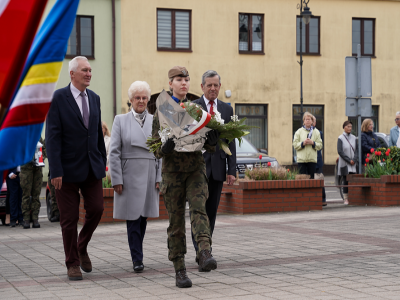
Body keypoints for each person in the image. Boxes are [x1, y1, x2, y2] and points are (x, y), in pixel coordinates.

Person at [151, 66, 219, 288]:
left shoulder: (196, 109)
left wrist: (213, 138)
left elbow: (208, 145)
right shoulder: (162, 110)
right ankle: (179, 269)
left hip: (195, 169)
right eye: (179, 79)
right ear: (170, 83)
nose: (184, 83)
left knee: (199, 208)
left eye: (187, 79)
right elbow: (154, 148)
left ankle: (205, 251)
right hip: (172, 174)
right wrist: (165, 148)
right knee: (176, 222)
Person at [46, 56, 107, 281]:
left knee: (98, 209)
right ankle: (72, 263)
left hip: (92, 167)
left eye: (90, 70)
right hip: (66, 171)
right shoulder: (58, 98)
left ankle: (82, 246)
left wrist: (103, 160)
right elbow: (52, 137)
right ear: (72, 74)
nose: (89, 73)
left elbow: (97, 135)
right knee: (69, 219)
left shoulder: (95, 98)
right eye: (84, 70)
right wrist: (55, 171)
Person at [109, 81, 161, 273]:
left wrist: (159, 177)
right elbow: (114, 152)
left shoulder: (156, 120)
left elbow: (160, 152)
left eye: (144, 98)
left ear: (148, 100)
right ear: (130, 101)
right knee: (132, 218)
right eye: (137, 98)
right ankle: (137, 258)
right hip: (128, 174)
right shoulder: (120, 120)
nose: (141, 101)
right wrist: (117, 179)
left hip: (149, 172)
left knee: (143, 218)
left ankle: (137, 252)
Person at [191, 70, 236, 270]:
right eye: (209, 85)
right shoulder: (193, 108)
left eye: (216, 85)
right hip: (196, 169)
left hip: (217, 167)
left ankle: (205, 249)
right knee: (197, 211)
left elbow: (231, 141)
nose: (213, 88)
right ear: (202, 87)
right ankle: (202, 251)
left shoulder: (227, 110)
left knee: (211, 212)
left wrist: (231, 169)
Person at [20, 137, 46, 229]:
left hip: (37, 169)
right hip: (26, 169)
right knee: (26, 195)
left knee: (36, 195)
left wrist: (41, 157)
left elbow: (44, 149)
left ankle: (35, 218)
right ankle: (26, 219)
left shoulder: (38, 136)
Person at [293, 112, 323, 179]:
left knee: (311, 180)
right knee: (302, 181)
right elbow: (295, 144)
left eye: (309, 119)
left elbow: (320, 145)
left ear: (312, 121)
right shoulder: (299, 131)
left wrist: (313, 143)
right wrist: (303, 143)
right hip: (301, 160)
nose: (308, 121)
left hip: (312, 160)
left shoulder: (316, 132)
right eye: (306, 119)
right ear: (304, 121)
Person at [337, 120, 358, 205]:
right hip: (345, 163)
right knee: (345, 180)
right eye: (348, 126)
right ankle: (345, 198)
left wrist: (354, 159)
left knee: (352, 179)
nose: (350, 128)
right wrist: (349, 160)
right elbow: (340, 151)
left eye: (351, 127)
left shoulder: (354, 137)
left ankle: (352, 197)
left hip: (353, 163)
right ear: (344, 127)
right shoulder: (340, 138)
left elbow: (356, 150)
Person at [312, 117, 326, 206]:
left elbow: (320, 145)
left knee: (319, 179)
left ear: (315, 123)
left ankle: (323, 199)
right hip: (308, 160)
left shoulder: (319, 133)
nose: (311, 123)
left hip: (317, 160)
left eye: (312, 121)